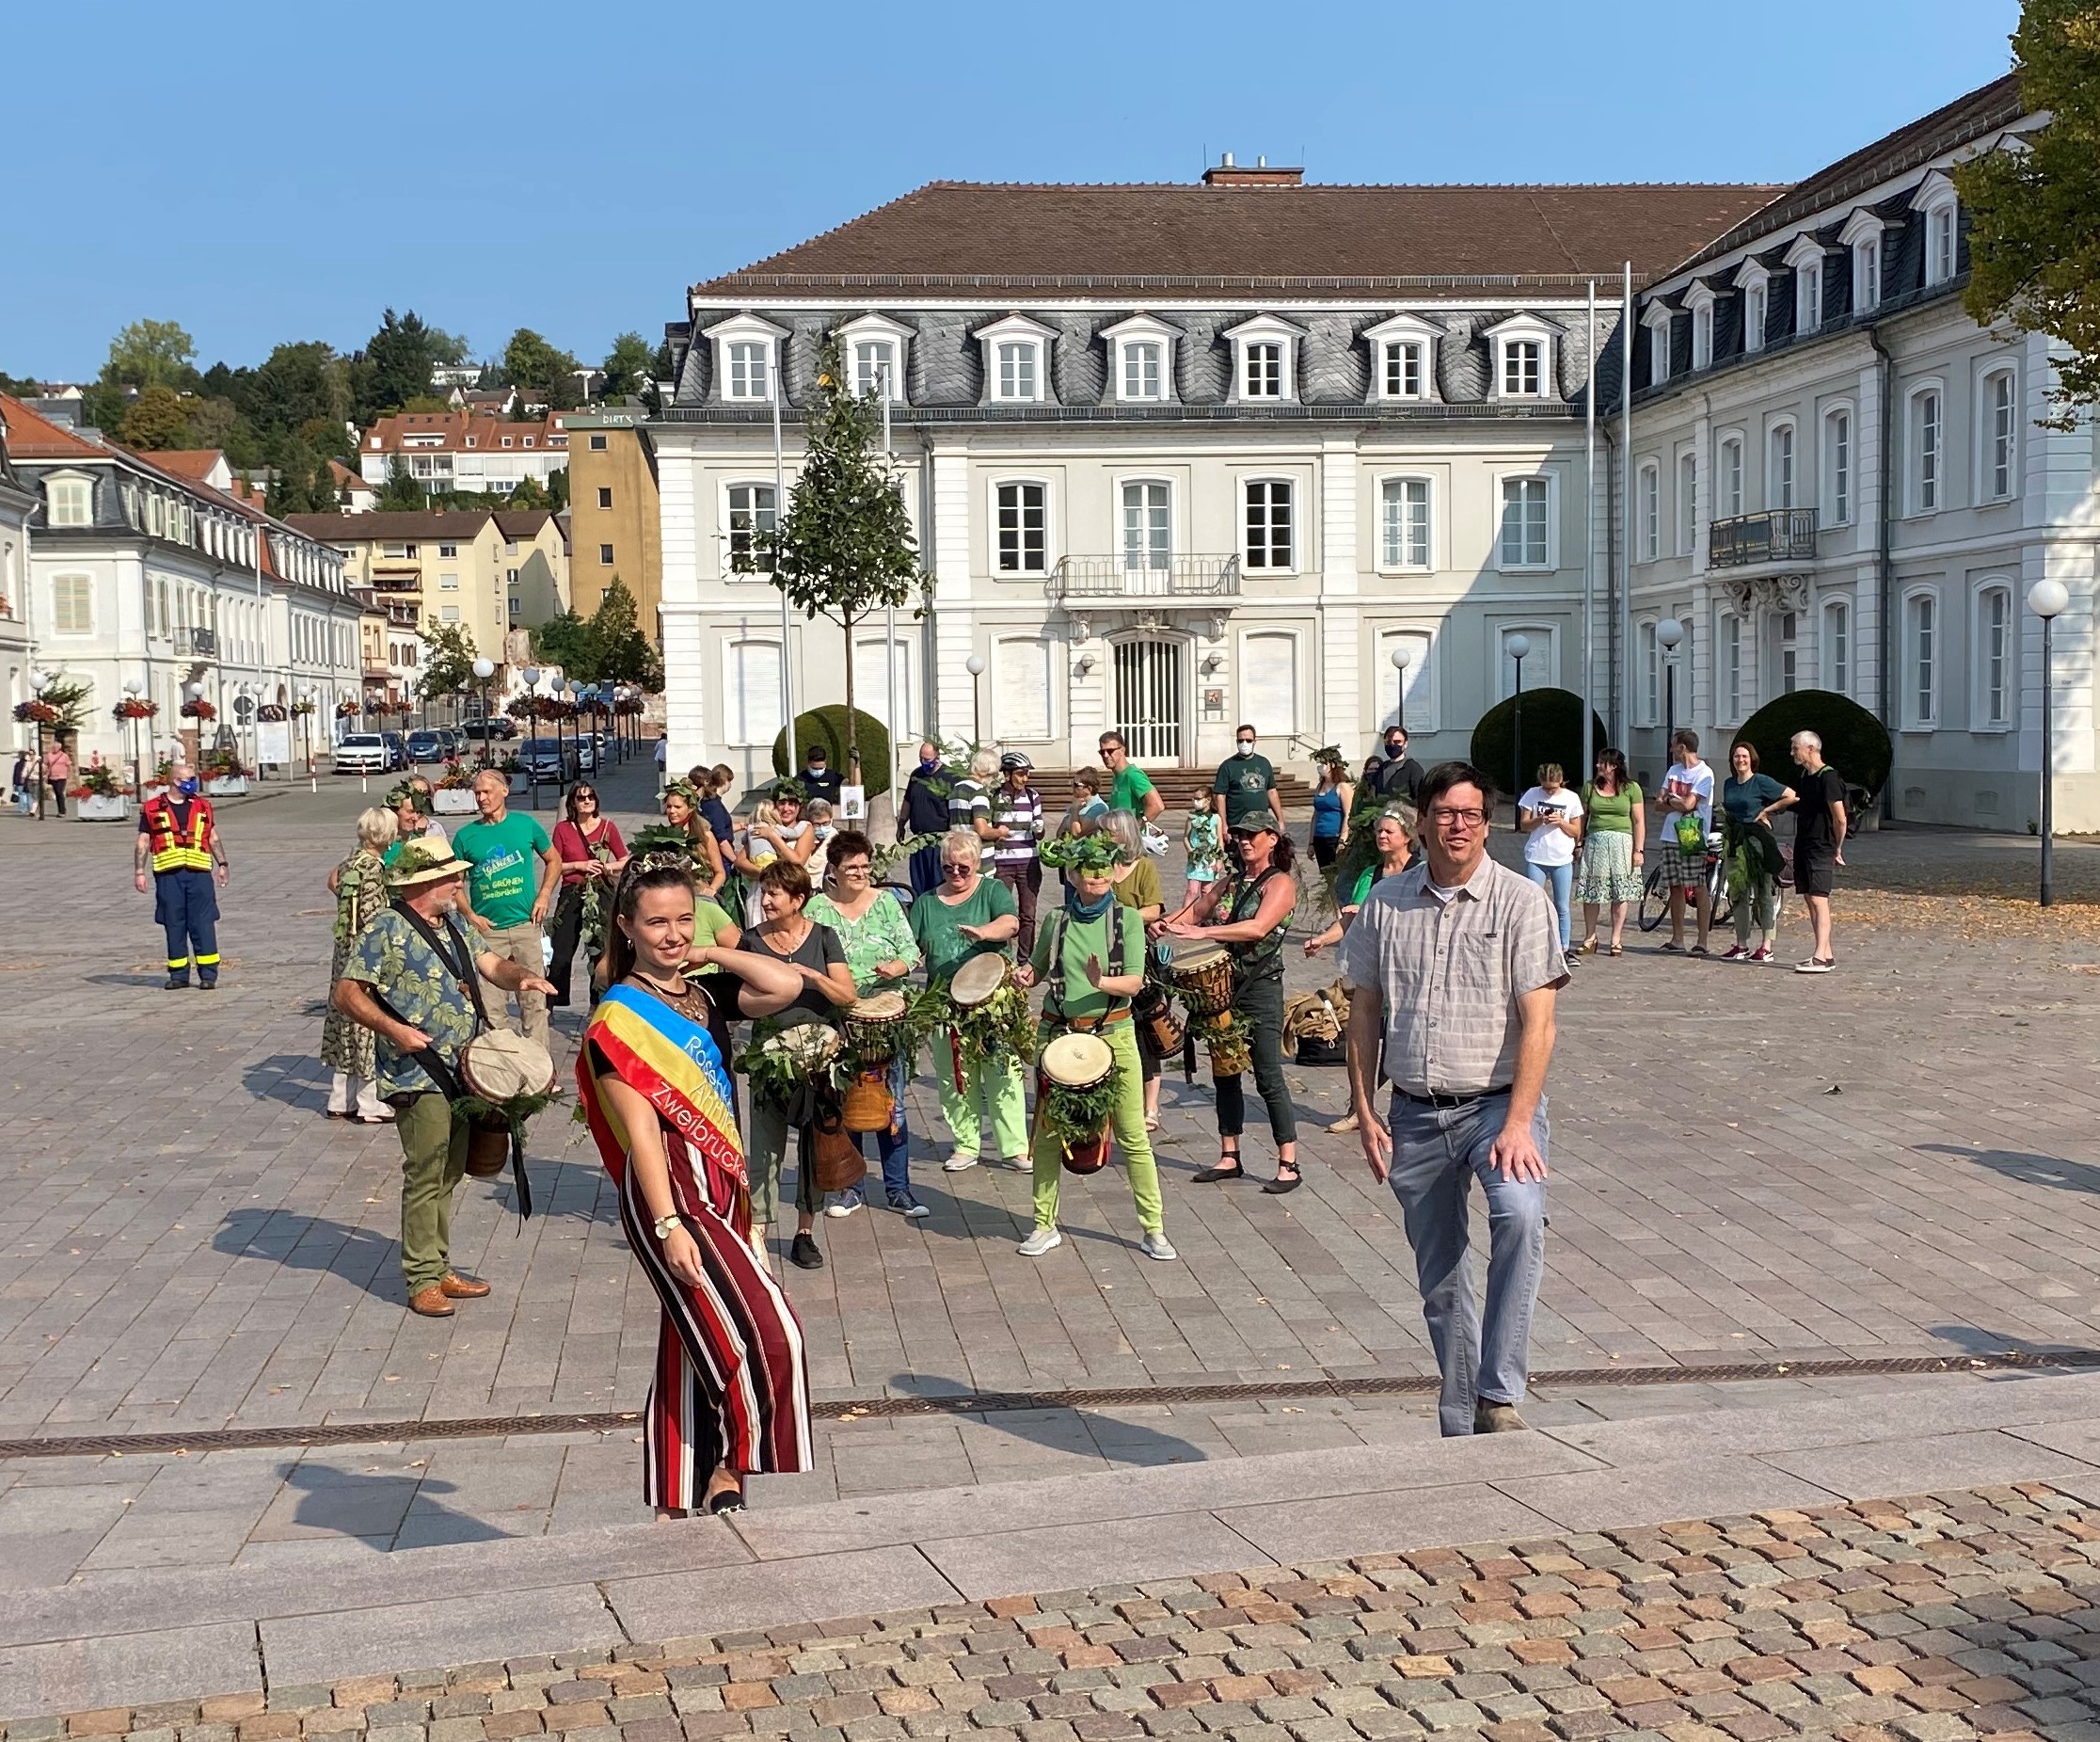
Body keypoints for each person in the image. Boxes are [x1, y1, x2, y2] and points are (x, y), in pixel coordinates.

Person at [579, 854, 813, 1517]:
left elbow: (785, 983)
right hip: (674, 1191)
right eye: (657, 922)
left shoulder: (702, 996)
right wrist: (666, 1224)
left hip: (723, 1184)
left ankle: (678, 1494)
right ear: (626, 925)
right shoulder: (618, 1022)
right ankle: (733, 1464)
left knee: (691, 1342)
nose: (673, 933)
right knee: (770, 1331)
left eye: (683, 918)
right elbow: (644, 1136)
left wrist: (710, 947)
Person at [1339, 762, 1566, 1436]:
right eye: (1445, 813)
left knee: (1520, 1214)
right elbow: (1363, 1013)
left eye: (1470, 814)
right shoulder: (1386, 903)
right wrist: (1364, 1109)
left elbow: (1542, 1022)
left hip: (1500, 1104)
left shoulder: (1522, 901)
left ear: (1487, 822)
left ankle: (1497, 1390)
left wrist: (1521, 1121)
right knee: (1441, 1280)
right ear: (1422, 820)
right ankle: (1464, 1418)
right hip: (1414, 1108)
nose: (1458, 825)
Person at [331, 840, 558, 1317]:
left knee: (451, 1171)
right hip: (418, 1072)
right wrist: (395, 1030)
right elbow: (347, 992)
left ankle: (438, 1266)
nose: (460, 883)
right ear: (422, 883)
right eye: (451, 876)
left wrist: (524, 979)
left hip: (465, 1068)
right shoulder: (386, 928)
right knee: (426, 1171)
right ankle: (421, 1280)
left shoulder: (453, 922)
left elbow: (490, 965)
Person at [1013, 829, 1174, 1261]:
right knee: (1046, 1134)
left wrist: (1101, 981)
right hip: (1060, 1035)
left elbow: (1136, 981)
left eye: (1105, 873)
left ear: (1116, 873)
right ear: (1074, 875)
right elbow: (1037, 968)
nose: (1097, 880)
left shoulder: (1128, 920)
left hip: (1113, 1033)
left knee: (1132, 1135)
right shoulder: (1056, 920)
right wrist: (1023, 977)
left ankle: (1154, 1229)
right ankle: (1043, 1225)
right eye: (1089, 873)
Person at [1165, 815, 1302, 1193]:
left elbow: (1257, 928)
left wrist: (1202, 932)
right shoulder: (1229, 882)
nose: (1244, 841)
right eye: (1239, 835)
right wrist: (1164, 923)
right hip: (1223, 987)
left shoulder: (1280, 883)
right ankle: (1230, 1155)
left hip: (1261, 989)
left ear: (1272, 839)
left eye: (1252, 835)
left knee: (1268, 1075)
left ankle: (1288, 1162)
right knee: (1225, 1071)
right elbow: (1194, 910)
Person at [740, 859, 857, 1269]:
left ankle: (805, 1231)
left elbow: (846, 995)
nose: (766, 900)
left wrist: (812, 976)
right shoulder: (751, 942)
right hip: (768, 1058)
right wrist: (775, 996)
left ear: (798, 899)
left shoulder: (824, 937)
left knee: (815, 1144)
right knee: (765, 1146)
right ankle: (758, 1233)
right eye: (764, 892)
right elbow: (739, 1003)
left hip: (820, 1060)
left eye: (774, 893)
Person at [807, 830, 926, 1219]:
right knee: (848, 1104)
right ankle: (850, 1189)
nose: (860, 873)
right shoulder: (817, 910)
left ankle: (899, 1190)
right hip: (839, 1018)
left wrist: (898, 966)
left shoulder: (888, 903)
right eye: (851, 868)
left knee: (893, 1108)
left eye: (864, 866)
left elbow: (911, 950)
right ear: (834, 871)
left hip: (886, 1017)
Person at [909, 828, 1027, 1174]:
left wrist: (984, 933)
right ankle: (966, 1144)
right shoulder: (926, 903)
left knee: (1002, 1071)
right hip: (944, 1002)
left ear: (977, 863)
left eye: (964, 867)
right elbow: (908, 946)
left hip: (992, 1000)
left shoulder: (991, 891)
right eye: (949, 868)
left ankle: (1014, 1148)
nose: (957, 873)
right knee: (955, 1076)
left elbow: (1010, 923)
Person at [1305, 805, 1413, 1136]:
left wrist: (1366, 909)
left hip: (1410, 972)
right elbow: (1351, 917)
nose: (1382, 835)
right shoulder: (1371, 875)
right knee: (1362, 1036)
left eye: (1389, 831)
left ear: (1407, 836)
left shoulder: (1419, 873)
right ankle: (1359, 1108)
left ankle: (1399, 1108)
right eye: (1379, 830)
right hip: (1373, 971)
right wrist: (1323, 939)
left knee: (1398, 1045)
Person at [453, 767, 562, 1047]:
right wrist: (470, 915)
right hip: (489, 933)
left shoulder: (526, 825)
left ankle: (541, 1071)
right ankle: (501, 1070)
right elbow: (455, 884)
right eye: (477, 793)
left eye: (487, 791)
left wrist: (544, 895)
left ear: (504, 790)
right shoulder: (466, 837)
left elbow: (554, 860)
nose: (481, 798)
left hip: (526, 925)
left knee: (534, 1001)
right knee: (491, 1007)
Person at [322, 807, 400, 1122]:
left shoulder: (351, 861)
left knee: (345, 1022)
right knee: (369, 1022)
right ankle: (370, 1103)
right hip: (365, 956)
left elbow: (335, 885)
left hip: (343, 951)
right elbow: (374, 919)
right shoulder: (375, 870)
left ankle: (340, 1099)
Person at [134, 759, 231, 990]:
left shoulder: (203, 806)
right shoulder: (152, 808)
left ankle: (208, 975)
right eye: (189, 780)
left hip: (199, 875)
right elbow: (143, 842)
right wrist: (139, 872)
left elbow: (213, 837)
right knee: (174, 923)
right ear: (176, 781)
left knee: (203, 923)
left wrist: (223, 864)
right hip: (168, 876)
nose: (193, 784)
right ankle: (178, 975)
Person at [1100, 809, 1167, 1129]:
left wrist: (1123, 919)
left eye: (1109, 833)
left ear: (1125, 835)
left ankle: (1150, 1107)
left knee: (1145, 1030)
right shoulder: (1100, 867)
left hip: (1137, 954)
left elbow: (1153, 909)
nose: (1103, 838)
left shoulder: (1144, 868)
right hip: (1103, 953)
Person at [549, 783, 629, 1007]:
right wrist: (579, 864)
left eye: (590, 797)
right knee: (562, 949)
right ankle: (554, 1001)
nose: (586, 801)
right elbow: (554, 864)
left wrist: (607, 868)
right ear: (572, 802)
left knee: (600, 949)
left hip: (600, 892)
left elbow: (625, 860)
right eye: (581, 797)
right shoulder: (563, 829)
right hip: (572, 892)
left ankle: (597, 1003)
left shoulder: (607, 827)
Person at [1777, 729, 1847, 973]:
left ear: (1811, 749)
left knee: (1819, 898)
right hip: (1804, 843)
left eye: (1795, 748)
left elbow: (1840, 818)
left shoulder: (1828, 778)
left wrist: (1837, 848)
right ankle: (1826, 954)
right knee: (1809, 897)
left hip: (1821, 845)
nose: (1792, 752)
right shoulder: (1806, 776)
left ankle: (1819, 956)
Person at [1718, 743, 1792, 964]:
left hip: (1758, 840)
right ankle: (1741, 944)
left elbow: (1791, 795)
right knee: (1738, 893)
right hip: (1736, 840)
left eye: (1744, 756)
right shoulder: (1729, 784)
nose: (1740, 760)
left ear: (1752, 759)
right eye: (1736, 756)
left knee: (1762, 893)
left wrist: (1767, 810)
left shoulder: (1760, 781)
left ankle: (1766, 946)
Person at [1651, 729, 1715, 955]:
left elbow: (1690, 804)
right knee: (1675, 886)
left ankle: (1702, 941)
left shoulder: (1704, 773)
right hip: (1670, 833)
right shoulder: (1673, 771)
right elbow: (1658, 803)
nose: (1671, 750)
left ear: (1683, 748)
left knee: (1697, 884)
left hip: (1692, 832)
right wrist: (1674, 801)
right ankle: (1677, 939)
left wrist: (1672, 800)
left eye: (1673, 745)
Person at [1576, 749, 1644, 958]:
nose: (1598, 766)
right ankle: (1590, 937)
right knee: (1592, 892)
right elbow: (1582, 817)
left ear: (1613, 766)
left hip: (1622, 843)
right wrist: (1578, 843)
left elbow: (1639, 821)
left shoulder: (1631, 788)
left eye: (1602, 763)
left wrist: (1638, 850)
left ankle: (1616, 938)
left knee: (1620, 892)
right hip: (1596, 842)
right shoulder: (1590, 787)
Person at [1517, 764, 1584, 965]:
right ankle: (1531, 946)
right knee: (1532, 904)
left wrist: (1560, 821)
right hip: (1537, 856)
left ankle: (1563, 948)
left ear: (1561, 782)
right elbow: (1524, 825)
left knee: (1562, 906)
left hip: (1561, 857)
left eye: (1553, 788)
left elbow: (1576, 831)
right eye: (1545, 788)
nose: (1548, 792)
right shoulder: (1531, 794)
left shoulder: (1571, 798)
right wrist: (1539, 819)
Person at [989, 751, 1044, 957]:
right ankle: (1003, 957)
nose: (1024, 778)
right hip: (1002, 863)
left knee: (1028, 914)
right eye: (1020, 774)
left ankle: (1025, 959)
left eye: (1027, 774)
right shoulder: (994, 797)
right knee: (1002, 913)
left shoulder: (1033, 796)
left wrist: (1039, 828)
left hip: (1028, 862)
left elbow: (1040, 834)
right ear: (1008, 774)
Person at [735, 783, 815, 925]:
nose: (786, 808)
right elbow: (740, 861)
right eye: (782, 803)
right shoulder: (762, 826)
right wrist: (764, 873)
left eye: (792, 804)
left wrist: (772, 836)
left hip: (790, 891)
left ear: (800, 807)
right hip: (761, 891)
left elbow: (797, 862)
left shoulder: (804, 828)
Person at [899, 742, 952, 897]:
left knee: (938, 884)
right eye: (921, 759)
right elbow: (908, 800)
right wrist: (901, 823)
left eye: (928, 759)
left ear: (937, 756)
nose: (924, 763)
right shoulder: (916, 775)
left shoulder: (948, 777)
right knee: (919, 884)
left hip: (939, 839)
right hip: (918, 840)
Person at [1212, 725, 1285, 836]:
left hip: (1261, 824)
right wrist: (1223, 824)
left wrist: (1280, 820)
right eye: (1241, 740)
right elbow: (1220, 796)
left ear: (1254, 741)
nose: (1244, 744)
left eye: (1248, 740)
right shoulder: (1228, 766)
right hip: (1237, 825)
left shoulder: (1264, 763)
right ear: (1237, 742)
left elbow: (1271, 791)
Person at [663, 781, 726, 897]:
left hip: (698, 896)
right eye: (669, 806)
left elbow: (720, 873)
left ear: (690, 808)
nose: (672, 811)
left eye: (677, 807)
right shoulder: (663, 837)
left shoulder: (705, 836)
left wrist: (712, 889)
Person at [1099, 731, 1163, 823]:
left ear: (1122, 750)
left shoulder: (1133, 775)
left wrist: (1135, 829)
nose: (1105, 755)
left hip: (1130, 837)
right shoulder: (1118, 776)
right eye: (1102, 752)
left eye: (1110, 751)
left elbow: (1157, 806)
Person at [948, 748, 998, 866]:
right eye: (994, 773)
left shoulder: (957, 788)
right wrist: (1000, 832)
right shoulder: (978, 791)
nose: (994, 777)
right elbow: (982, 830)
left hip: (960, 851)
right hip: (979, 858)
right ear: (986, 771)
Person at [383, 781, 447, 868]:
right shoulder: (379, 844)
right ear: (393, 812)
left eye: (417, 812)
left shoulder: (420, 843)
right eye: (410, 812)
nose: (415, 818)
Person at [1362, 726, 1425, 807]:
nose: (1392, 745)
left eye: (1397, 742)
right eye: (1389, 742)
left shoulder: (1414, 769)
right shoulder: (1382, 768)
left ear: (1405, 744)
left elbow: (1420, 799)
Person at [1310, 754, 1352, 872]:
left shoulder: (1342, 787)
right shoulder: (1320, 786)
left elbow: (1348, 814)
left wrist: (1343, 840)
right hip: (1319, 838)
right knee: (1325, 874)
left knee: (1336, 873)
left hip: (1334, 837)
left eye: (1323, 763)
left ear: (1332, 765)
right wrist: (1311, 842)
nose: (1320, 766)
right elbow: (1315, 815)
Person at [799, 743, 842, 807]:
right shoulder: (800, 778)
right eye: (815, 768)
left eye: (821, 768)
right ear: (808, 762)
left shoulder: (832, 776)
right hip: (807, 815)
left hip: (827, 815)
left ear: (825, 762)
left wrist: (856, 766)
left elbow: (853, 785)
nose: (818, 771)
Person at [44, 739, 72, 817]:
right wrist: (44, 772)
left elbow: (69, 765)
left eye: (56, 747)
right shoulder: (49, 755)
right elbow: (45, 764)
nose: (54, 748)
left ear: (59, 748)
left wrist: (69, 774)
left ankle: (62, 811)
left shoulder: (64, 756)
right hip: (52, 777)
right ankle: (59, 810)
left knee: (60, 792)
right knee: (57, 793)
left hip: (62, 777)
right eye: (53, 747)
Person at [10, 749, 32, 816]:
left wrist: (14, 782)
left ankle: (22, 809)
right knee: (29, 795)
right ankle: (30, 809)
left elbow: (15, 774)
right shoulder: (28, 763)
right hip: (27, 781)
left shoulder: (18, 764)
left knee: (22, 795)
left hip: (19, 782)